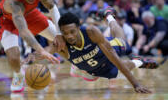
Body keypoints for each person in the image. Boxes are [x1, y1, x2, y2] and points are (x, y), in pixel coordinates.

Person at [31, 8, 159, 93]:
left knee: (121, 42)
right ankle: (139, 61)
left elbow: (115, 59)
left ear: (79, 28)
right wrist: (38, 53)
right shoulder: (61, 44)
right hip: (95, 69)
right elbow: (49, 49)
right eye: (65, 33)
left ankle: (109, 16)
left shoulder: (91, 32)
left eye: (72, 32)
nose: (69, 36)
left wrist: (136, 84)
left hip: (106, 51)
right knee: (116, 70)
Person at [0, 0, 64, 92]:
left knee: (62, 40)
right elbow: (24, 31)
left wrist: (59, 34)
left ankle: (77, 65)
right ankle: (18, 75)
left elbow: (52, 8)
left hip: (30, 14)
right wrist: (42, 50)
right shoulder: (13, 4)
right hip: (6, 21)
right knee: (14, 57)